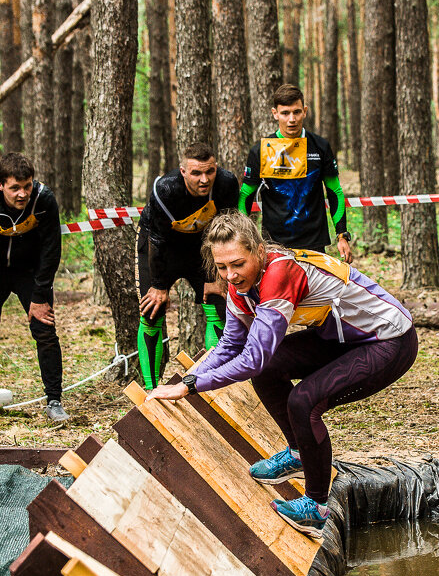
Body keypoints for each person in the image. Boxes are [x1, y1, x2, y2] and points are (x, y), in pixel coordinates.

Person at [147, 212, 417, 539]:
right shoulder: (241, 285)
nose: (230, 275)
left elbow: (253, 358)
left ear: (259, 252)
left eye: (237, 264)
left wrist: (190, 386)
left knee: (304, 401)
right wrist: (182, 382)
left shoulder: (279, 273)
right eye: (221, 267)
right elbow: (231, 344)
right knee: (272, 368)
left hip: (389, 340)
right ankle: (299, 454)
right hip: (340, 336)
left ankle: (315, 509)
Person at [0, 152, 70, 424]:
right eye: (15, 188)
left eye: (27, 186)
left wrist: (40, 295)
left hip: (30, 271)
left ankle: (54, 400)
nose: (22, 194)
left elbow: (51, 250)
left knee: (45, 329)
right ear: (0, 184)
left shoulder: (44, 199)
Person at [137, 142, 240, 390]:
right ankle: (152, 390)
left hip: (203, 248)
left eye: (210, 171)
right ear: (183, 172)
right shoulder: (166, 188)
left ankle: (213, 384)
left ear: (216, 168)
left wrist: (219, 274)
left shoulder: (227, 183)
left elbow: (226, 231)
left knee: (217, 304)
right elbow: (157, 242)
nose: (204, 180)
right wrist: (159, 286)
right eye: (196, 173)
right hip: (160, 248)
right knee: (152, 311)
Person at [238, 84, 353, 263]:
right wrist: (242, 237)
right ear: (275, 113)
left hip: (314, 242)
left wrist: (342, 235)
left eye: (296, 112)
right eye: (285, 113)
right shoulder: (260, 150)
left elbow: (334, 191)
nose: (291, 119)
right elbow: (246, 194)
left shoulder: (320, 146)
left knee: (314, 292)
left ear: (305, 111)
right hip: (273, 244)